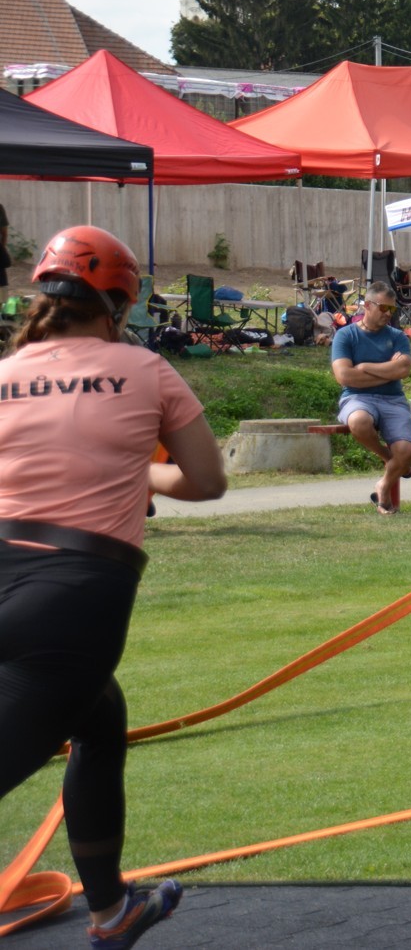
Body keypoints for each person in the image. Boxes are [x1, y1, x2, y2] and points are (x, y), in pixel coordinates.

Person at [0, 226, 226, 946]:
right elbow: (207, 480)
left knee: (101, 716)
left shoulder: (5, 373)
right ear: (120, 305)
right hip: (70, 597)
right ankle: (109, 913)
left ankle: (111, 910)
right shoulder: (144, 368)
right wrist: (138, 468)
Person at [332, 281, 411, 515]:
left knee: (406, 450)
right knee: (359, 421)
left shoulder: (398, 336)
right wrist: (388, 371)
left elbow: (404, 369)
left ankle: (383, 487)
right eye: (384, 308)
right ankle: (388, 458)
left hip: (393, 400)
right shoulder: (345, 335)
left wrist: (365, 367)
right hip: (356, 398)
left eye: (392, 309)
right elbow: (344, 377)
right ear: (367, 306)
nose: (388, 314)